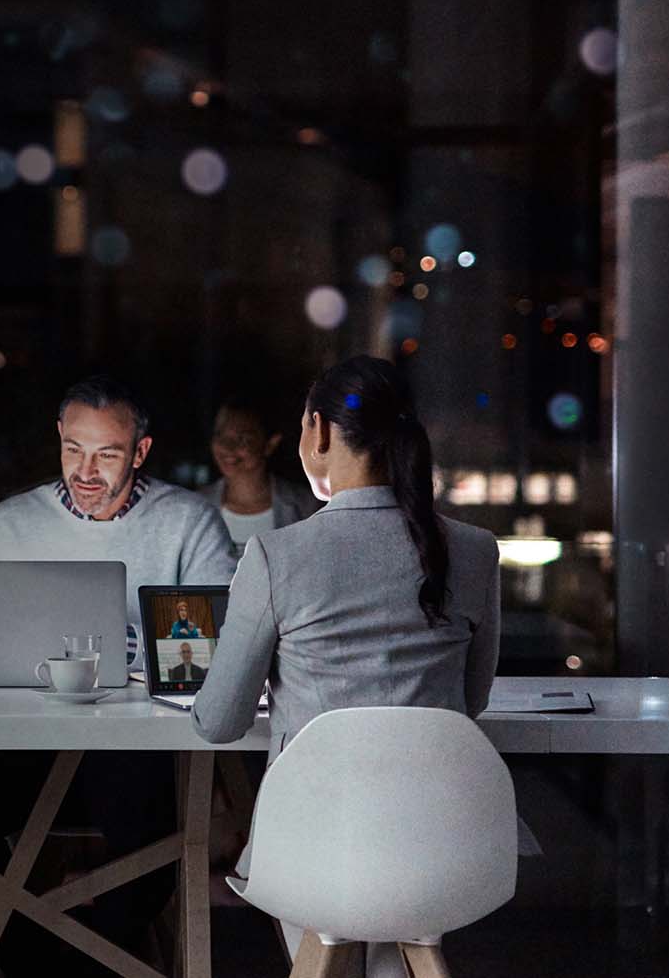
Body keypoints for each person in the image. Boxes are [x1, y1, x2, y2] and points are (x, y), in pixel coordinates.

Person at [190, 355, 501, 974]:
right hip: (442, 846)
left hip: (314, 851)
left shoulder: (277, 556)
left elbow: (220, 723)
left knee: (337, 909)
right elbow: (470, 702)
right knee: (396, 925)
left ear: (321, 432)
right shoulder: (473, 550)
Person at [0, 374, 236, 977]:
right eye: (74, 450)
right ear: (59, 439)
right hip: (30, 746)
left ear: (140, 452)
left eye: (107, 454)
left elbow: (209, 653)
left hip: (135, 746)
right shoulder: (11, 524)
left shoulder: (189, 524)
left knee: (154, 845)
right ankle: (35, 961)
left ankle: (86, 965)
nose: (86, 471)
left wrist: (118, 652)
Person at [201, 393, 319, 559]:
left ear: (270, 444)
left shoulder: (305, 507)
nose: (228, 447)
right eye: (220, 436)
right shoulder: (198, 505)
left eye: (243, 439)